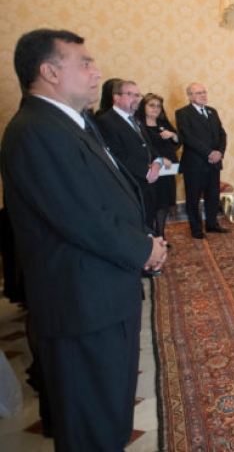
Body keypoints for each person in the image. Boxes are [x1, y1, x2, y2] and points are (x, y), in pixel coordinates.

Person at [0, 29, 167, 450]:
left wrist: (144, 236)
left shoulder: (70, 124)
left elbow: (108, 197)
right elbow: (81, 217)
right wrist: (144, 248)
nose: (97, 73)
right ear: (49, 71)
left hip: (102, 294)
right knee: (91, 421)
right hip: (80, 302)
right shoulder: (37, 130)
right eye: (85, 63)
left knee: (108, 410)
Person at [96, 79, 163, 233]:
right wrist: (145, 171)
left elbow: (149, 147)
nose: (136, 99)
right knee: (134, 227)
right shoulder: (106, 121)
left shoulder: (136, 120)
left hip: (147, 184)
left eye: (137, 95)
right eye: (130, 94)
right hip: (128, 185)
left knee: (148, 223)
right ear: (116, 97)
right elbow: (115, 154)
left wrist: (156, 163)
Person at [176, 82, 229, 239]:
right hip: (195, 164)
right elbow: (188, 137)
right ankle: (196, 229)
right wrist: (209, 152)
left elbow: (222, 134)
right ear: (190, 96)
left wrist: (219, 152)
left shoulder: (212, 111)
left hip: (214, 163)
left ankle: (212, 224)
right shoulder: (182, 113)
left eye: (204, 92)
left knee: (213, 196)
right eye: (198, 93)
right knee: (193, 198)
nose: (203, 95)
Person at [137, 93, 181, 240]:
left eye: (158, 106)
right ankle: (150, 237)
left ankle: (161, 235)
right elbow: (142, 148)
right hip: (151, 170)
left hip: (168, 171)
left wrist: (173, 135)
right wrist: (159, 159)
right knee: (151, 204)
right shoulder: (138, 124)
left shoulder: (163, 123)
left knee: (164, 204)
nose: (156, 109)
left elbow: (178, 142)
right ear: (143, 107)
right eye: (151, 105)